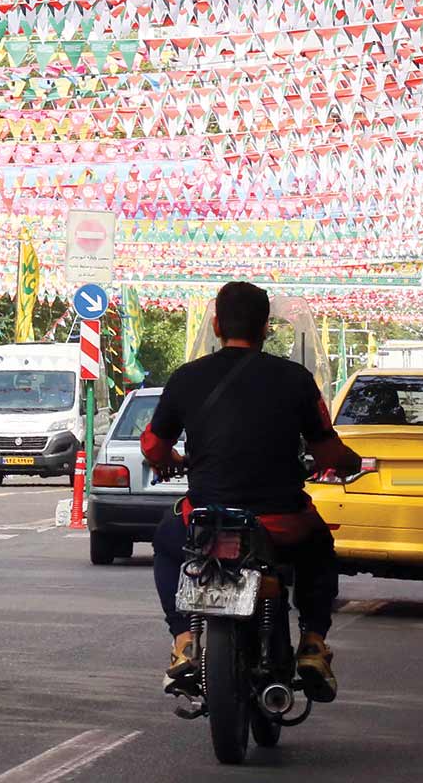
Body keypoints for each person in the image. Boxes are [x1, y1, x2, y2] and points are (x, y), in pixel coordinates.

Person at [140, 280, 360, 704]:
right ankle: (313, 643)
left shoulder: (187, 378)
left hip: (208, 523)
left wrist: (168, 461)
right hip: (282, 525)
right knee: (320, 549)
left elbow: (153, 445)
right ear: (266, 329)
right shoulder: (296, 379)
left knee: (167, 543)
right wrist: (349, 462)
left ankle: (185, 640)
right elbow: (325, 449)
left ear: (217, 325)